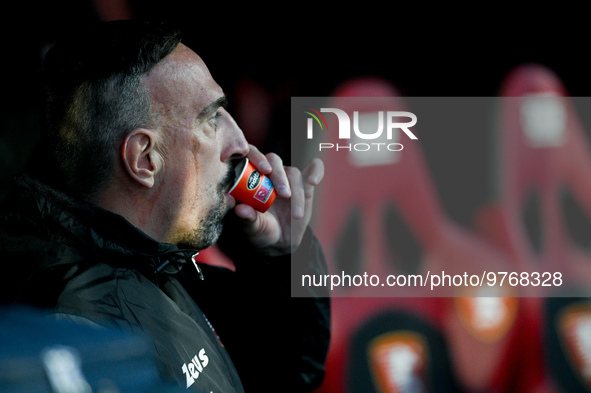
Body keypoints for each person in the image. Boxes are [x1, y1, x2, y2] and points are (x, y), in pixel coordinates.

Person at [0, 20, 330, 392]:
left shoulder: (154, 258)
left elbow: (281, 372)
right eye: (211, 118)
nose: (240, 143)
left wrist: (282, 255)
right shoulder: (77, 324)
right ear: (145, 159)